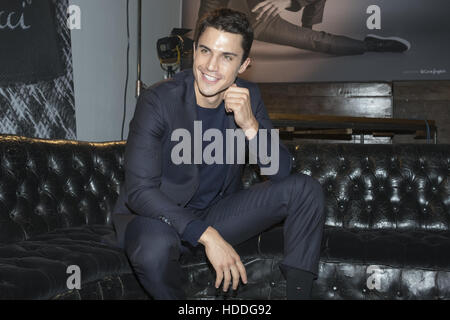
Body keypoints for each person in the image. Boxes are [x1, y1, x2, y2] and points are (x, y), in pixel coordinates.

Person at [111, 8, 325, 300]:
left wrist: (250, 125)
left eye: (227, 57)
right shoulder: (158, 101)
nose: (211, 66)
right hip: (158, 219)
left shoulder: (248, 96)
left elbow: (281, 172)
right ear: (195, 50)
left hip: (218, 212)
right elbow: (140, 192)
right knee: (153, 247)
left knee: (306, 189)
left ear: (244, 64)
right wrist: (207, 235)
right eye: (205, 51)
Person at [197, 0, 411, 56]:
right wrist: (190, 68)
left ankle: (370, 44)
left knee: (318, 41)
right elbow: (205, 17)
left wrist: (288, 1)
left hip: (262, 18)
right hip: (236, 30)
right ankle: (369, 45)